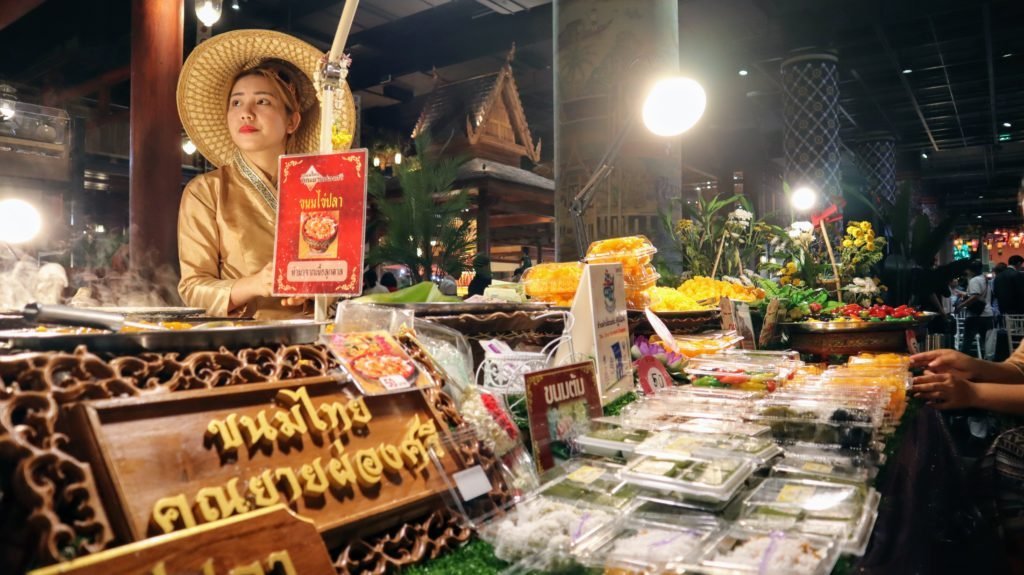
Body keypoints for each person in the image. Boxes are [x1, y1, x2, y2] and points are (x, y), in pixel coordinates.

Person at [176, 30, 354, 318]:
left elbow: (336, 275)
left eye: (262, 101)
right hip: (238, 346)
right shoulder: (205, 191)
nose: (245, 112)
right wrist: (255, 285)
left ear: (292, 121)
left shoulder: (322, 189)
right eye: (236, 102)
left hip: (311, 337)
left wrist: (312, 294)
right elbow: (193, 289)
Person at [957, 261, 994, 359]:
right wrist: (964, 294)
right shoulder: (984, 279)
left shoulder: (974, 280)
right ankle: (985, 363)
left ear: (970, 271)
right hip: (987, 314)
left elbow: (975, 297)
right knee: (985, 343)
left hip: (975, 316)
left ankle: (963, 363)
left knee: (967, 342)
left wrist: (961, 306)